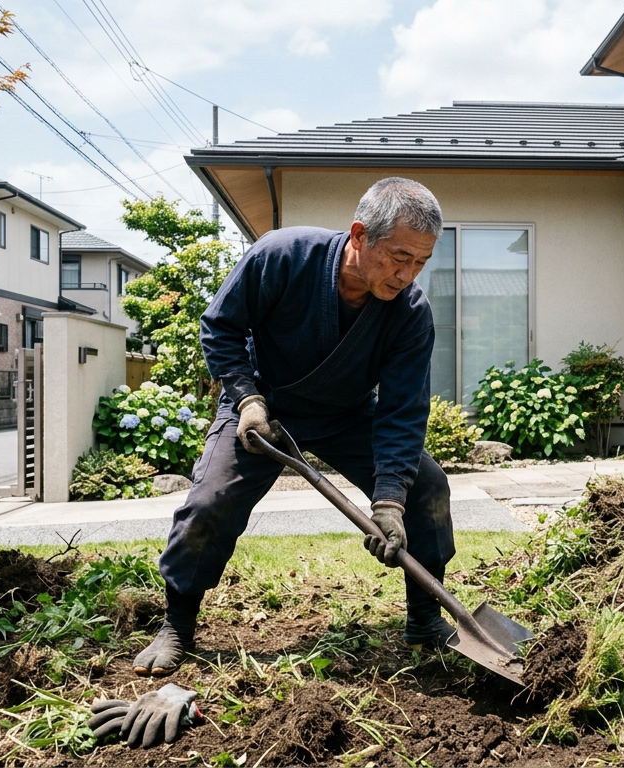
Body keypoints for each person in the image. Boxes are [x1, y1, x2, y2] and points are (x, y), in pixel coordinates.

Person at [134, 177, 455, 676]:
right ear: (359, 235)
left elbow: (402, 411)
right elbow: (220, 326)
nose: (407, 274)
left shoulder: (410, 314)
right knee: (210, 500)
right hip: (263, 409)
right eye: (398, 256)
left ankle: (425, 618)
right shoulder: (283, 255)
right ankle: (178, 623)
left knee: (428, 489)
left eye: (420, 262)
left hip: (347, 415)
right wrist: (245, 398)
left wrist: (390, 501)